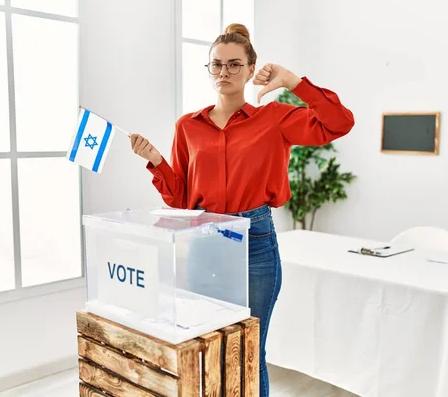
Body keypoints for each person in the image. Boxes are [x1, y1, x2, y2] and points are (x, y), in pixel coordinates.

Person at [130, 23, 354, 396]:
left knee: (249, 348)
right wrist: (155, 160)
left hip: (255, 241)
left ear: (251, 70)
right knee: (210, 343)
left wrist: (293, 81)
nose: (224, 72)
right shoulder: (188, 126)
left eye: (235, 65)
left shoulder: (275, 119)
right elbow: (182, 199)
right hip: (204, 241)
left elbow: (339, 122)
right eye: (216, 65)